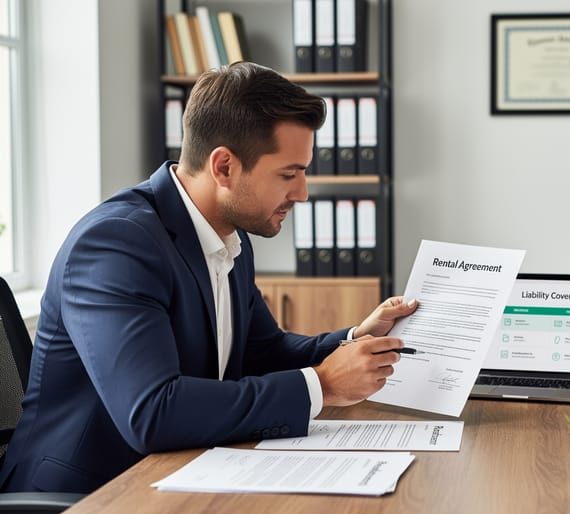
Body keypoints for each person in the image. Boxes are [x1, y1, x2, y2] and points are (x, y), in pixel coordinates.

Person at [0, 61, 417, 494]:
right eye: (289, 174)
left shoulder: (228, 235)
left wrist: (353, 341)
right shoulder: (117, 244)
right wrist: (324, 384)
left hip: (179, 472)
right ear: (224, 167)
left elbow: (263, 351)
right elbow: (153, 413)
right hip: (87, 493)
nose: (302, 193)